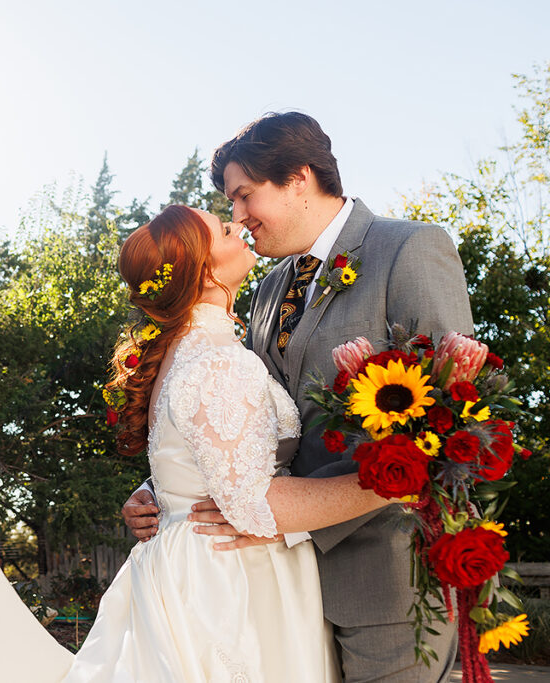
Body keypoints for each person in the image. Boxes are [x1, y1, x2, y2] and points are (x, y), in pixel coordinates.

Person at [121, 112, 472, 682]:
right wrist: (167, 487)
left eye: (243, 195)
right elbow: (243, 423)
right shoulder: (266, 289)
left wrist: (264, 510)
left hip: (386, 580)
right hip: (281, 588)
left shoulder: (408, 249)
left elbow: (454, 428)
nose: (238, 217)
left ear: (298, 178)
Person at [64, 205, 399, 682]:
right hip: (232, 580)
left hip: (190, 564)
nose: (238, 226)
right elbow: (250, 504)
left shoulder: (189, 352)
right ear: (203, 271)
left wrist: (155, 490)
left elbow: (195, 456)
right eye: (222, 229)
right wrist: (390, 483)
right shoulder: (219, 361)